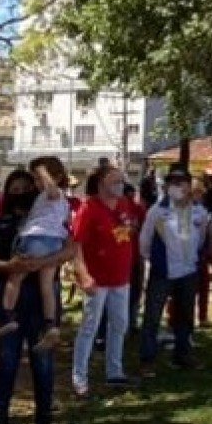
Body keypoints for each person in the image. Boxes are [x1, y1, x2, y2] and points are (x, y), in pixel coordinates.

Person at [0, 169, 77, 424]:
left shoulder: (52, 216)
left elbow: (71, 249)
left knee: (43, 363)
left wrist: (42, 263)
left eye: (25, 188)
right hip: (12, 299)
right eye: (14, 189)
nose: (20, 194)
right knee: (7, 363)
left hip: (42, 301)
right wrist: (10, 266)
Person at [69, 163, 140, 399]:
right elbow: (75, 246)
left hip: (121, 277)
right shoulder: (88, 209)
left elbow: (124, 232)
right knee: (90, 326)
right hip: (96, 280)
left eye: (121, 180)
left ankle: (114, 371)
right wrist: (84, 275)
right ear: (101, 183)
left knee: (120, 324)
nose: (120, 185)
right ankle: (79, 377)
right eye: (115, 181)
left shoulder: (124, 204)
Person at [138, 167, 212, 372]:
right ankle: (148, 358)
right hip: (163, 271)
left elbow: (202, 238)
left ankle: (183, 354)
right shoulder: (157, 211)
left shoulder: (199, 211)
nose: (178, 187)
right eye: (173, 183)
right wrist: (153, 261)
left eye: (182, 182)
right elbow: (144, 241)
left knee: (186, 315)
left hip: (189, 270)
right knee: (153, 315)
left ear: (190, 186)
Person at [0, 156, 71, 341]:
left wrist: (41, 170)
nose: (36, 183)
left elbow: (51, 189)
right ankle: (50, 323)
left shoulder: (51, 194)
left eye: (37, 179)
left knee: (15, 278)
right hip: (55, 242)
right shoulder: (63, 202)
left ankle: (7, 315)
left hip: (36, 238)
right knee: (47, 285)